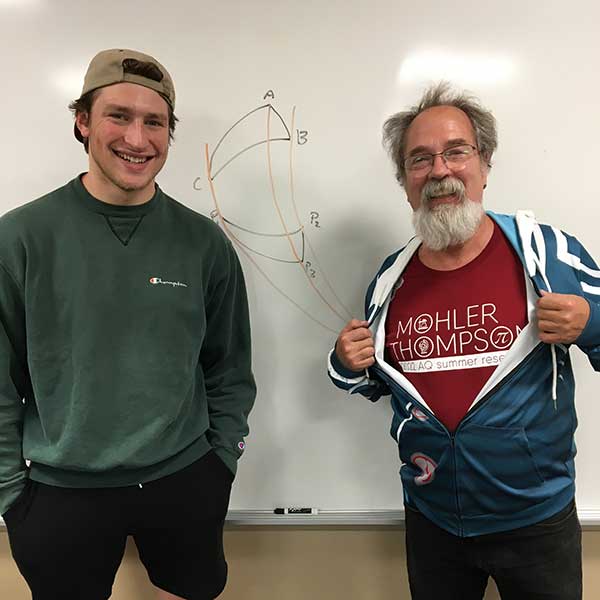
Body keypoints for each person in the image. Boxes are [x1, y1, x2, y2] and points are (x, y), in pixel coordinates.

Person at [0, 48, 256, 600]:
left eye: (155, 122)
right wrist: (10, 494)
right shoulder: (18, 239)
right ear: (83, 121)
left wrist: (221, 461)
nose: (138, 139)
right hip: (57, 490)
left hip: (186, 478)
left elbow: (229, 365)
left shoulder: (204, 244)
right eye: (118, 115)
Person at [328, 82, 599, 600]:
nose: (440, 171)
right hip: (432, 523)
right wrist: (347, 362)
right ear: (405, 181)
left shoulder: (545, 251)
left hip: (537, 523)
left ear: (485, 163)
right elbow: (378, 386)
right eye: (420, 159)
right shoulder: (390, 278)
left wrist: (592, 320)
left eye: (456, 152)